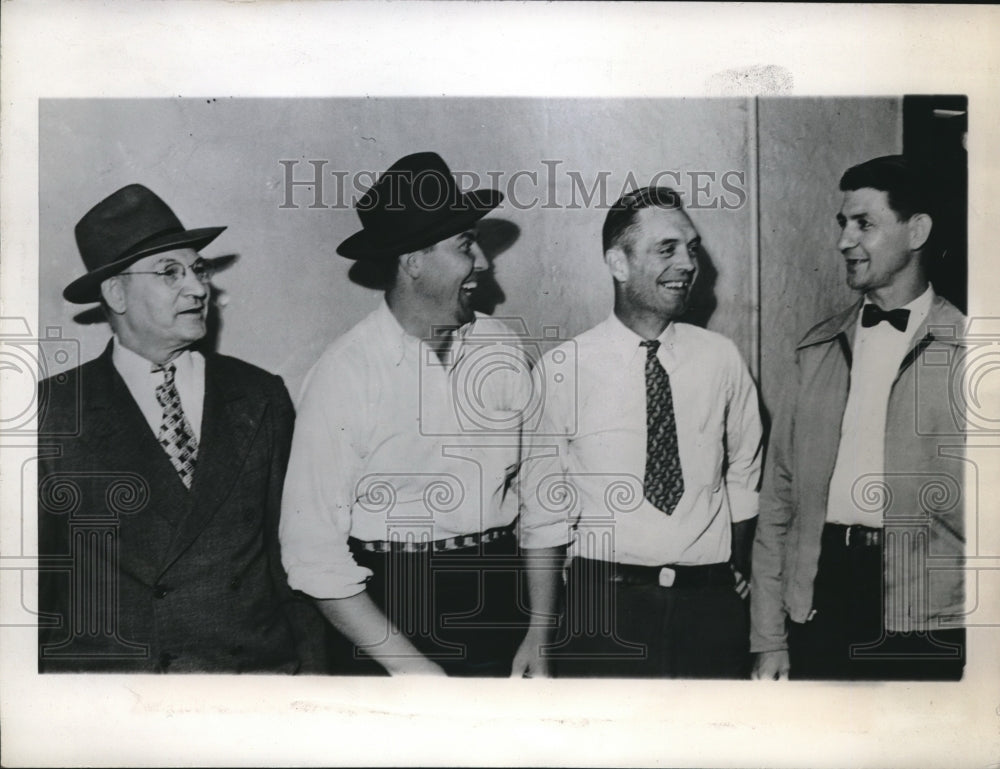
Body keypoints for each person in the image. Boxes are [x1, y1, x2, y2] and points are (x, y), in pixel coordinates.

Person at [37, 183, 326, 673]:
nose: (198, 288)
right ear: (116, 293)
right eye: (170, 273)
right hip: (124, 702)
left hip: (254, 683)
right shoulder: (53, 411)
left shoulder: (259, 395)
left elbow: (294, 560)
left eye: (198, 269)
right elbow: (34, 588)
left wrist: (315, 684)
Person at [279, 151, 531, 676]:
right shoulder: (345, 374)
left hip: (504, 607)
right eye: (466, 245)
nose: (482, 263)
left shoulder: (503, 349)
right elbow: (311, 552)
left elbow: (542, 497)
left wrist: (540, 631)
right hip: (390, 622)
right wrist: (413, 672)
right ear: (413, 261)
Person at [513, 185, 763, 678]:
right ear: (618, 264)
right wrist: (539, 633)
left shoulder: (722, 358)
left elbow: (744, 478)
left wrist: (737, 566)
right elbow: (544, 512)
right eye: (666, 249)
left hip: (710, 613)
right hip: (602, 612)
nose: (688, 264)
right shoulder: (563, 368)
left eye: (691, 248)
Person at [750, 155, 966, 681]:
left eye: (864, 224)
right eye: (842, 224)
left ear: (916, 232)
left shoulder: (973, 352)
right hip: (823, 596)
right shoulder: (816, 349)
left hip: (934, 613)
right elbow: (778, 502)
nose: (844, 241)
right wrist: (768, 637)